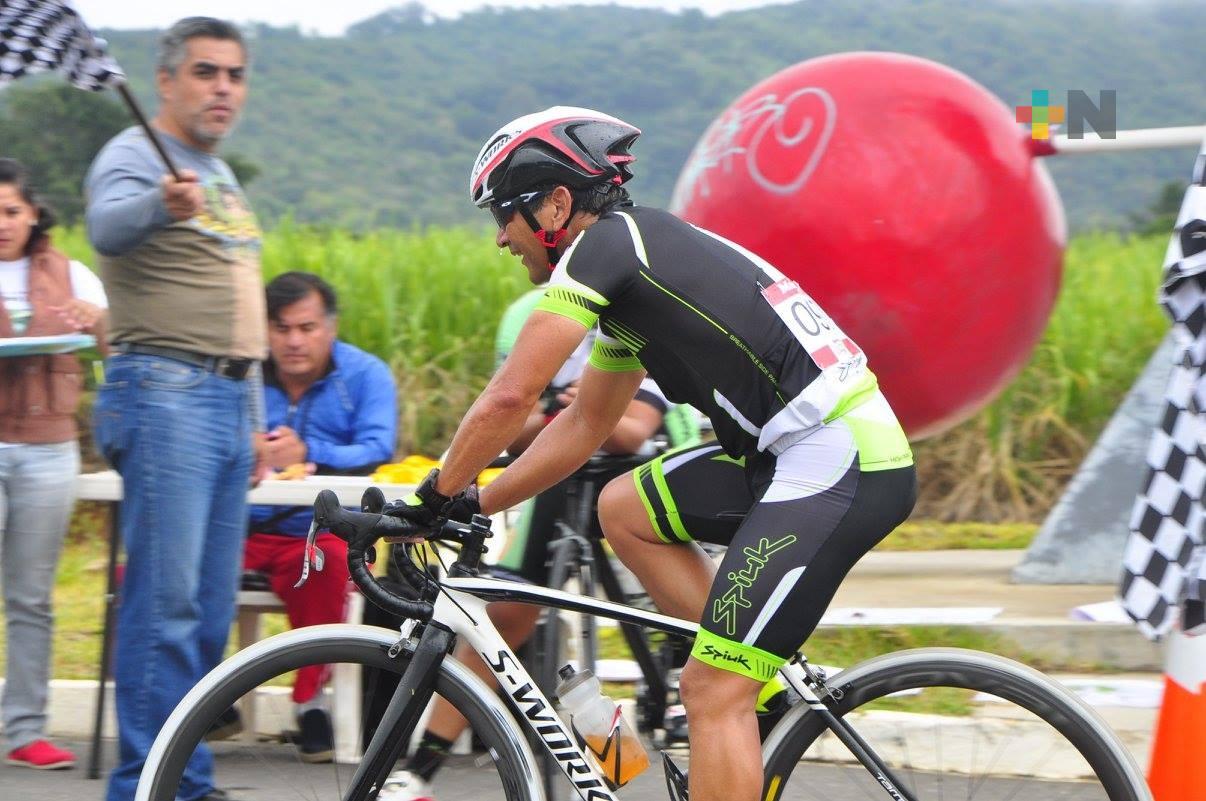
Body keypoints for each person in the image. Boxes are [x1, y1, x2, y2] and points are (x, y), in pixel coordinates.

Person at [384, 107, 917, 801]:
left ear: (555, 204)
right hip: (795, 454)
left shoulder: (608, 249)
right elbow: (583, 424)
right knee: (624, 508)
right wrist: (475, 501)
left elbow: (512, 397)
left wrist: (429, 499)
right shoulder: (633, 276)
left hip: (838, 457)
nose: (499, 238)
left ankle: (733, 686)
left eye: (504, 215)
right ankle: (748, 680)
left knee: (709, 689)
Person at [379, 286, 692, 800]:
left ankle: (675, 684)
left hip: (643, 475)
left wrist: (573, 412)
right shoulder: (530, 316)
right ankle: (419, 772)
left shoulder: (632, 303)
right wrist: (562, 412)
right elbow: (516, 430)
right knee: (505, 611)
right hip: (564, 479)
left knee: (667, 621)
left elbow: (632, 431)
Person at [84, 17, 262, 801]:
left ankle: (184, 778)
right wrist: (162, 202)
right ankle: (144, 785)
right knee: (166, 604)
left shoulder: (218, 174)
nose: (223, 87)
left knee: (209, 608)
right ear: (166, 82)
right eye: (205, 72)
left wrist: (252, 413)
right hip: (163, 392)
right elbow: (105, 228)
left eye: (234, 74)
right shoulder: (135, 157)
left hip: (223, 400)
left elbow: (236, 296)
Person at [227, 271, 397, 761]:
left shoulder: (365, 375)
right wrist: (245, 450)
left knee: (329, 561)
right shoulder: (241, 376)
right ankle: (207, 701)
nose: (294, 341)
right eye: (280, 329)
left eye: (306, 327)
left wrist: (311, 453)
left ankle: (310, 704)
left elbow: (378, 446)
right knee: (163, 571)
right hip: (242, 529)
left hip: (316, 533)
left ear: (331, 326)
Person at [0, 158, 107, 770]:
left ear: (34, 212)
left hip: (47, 449)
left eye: (12, 210)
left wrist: (95, 326)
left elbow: (103, 359)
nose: (4, 223)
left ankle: (24, 729)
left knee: (32, 596)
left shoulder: (72, 275)